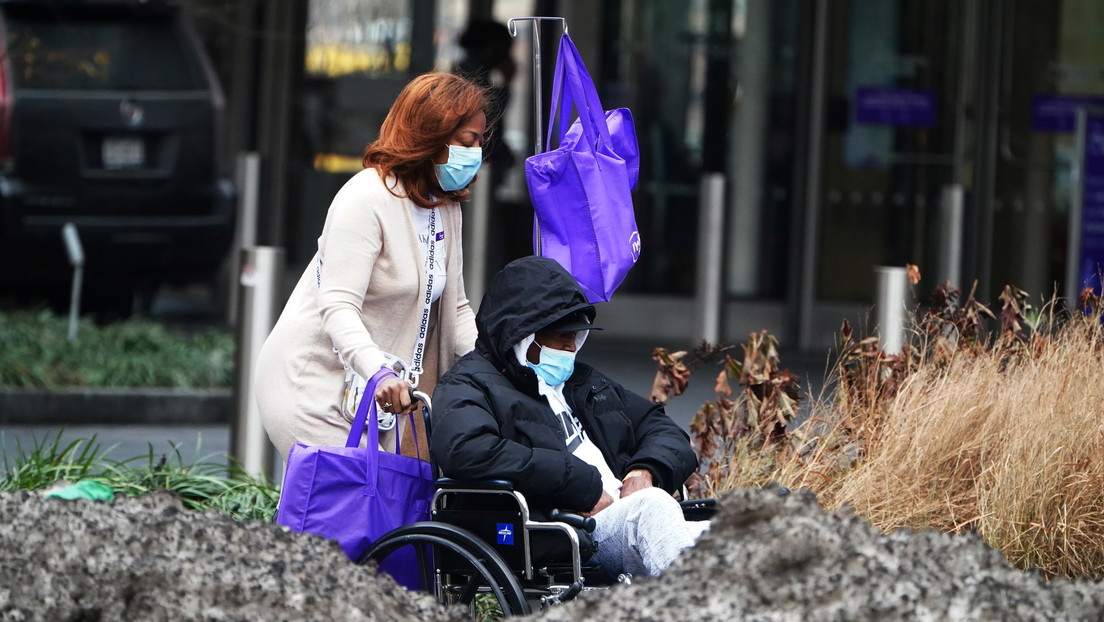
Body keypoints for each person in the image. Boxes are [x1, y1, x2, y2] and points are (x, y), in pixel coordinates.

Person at [255, 72, 490, 461]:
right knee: (351, 511)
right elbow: (338, 305)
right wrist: (378, 371)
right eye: (468, 141)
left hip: (383, 398)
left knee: (382, 511)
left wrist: (495, 364)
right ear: (430, 135)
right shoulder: (367, 197)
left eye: (481, 141)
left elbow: (457, 306)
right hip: (315, 385)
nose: (477, 152)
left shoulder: (444, 205)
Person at [431, 256, 709, 578]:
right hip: (563, 529)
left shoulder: (582, 380)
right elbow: (466, 450)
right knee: (654, 508)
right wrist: (578, 482)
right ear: (522, 333)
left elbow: (661, 427)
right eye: (559, 333)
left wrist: (645, 471)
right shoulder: (468, 384)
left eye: (575, 333)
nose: (569, 344)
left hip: (626, 512)